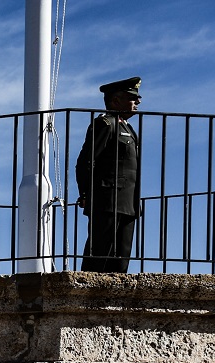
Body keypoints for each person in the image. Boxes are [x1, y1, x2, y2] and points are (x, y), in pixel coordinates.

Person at [76, 77, 143, 273]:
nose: (137, 102)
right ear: (115, 101)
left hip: (128, 203)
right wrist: (86, 194)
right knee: (98, 257)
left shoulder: (128, 128)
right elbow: (86, 161)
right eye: (132, 97)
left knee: (121, 262)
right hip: (107, 201)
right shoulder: (105, 124)